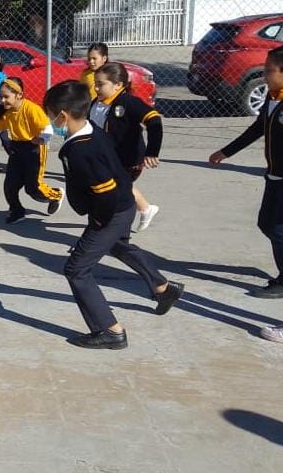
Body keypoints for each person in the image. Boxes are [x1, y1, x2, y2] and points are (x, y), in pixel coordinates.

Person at [42, 81, 183, 349]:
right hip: (124, 202)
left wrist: (97, 223)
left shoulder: (81, 149)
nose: (51, 121)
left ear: (63, 116)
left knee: (77, 269)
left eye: (51, 115)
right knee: (118, 245)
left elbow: (103, 191)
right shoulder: (90, 129)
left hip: (111, 211)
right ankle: (163, 288)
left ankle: (110, 330)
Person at [210, 44, 283, 300]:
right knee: (266, 223)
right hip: (274, 176)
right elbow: (258, 128)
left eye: (269, 70)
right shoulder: (274, 96)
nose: (264, 74)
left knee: (278, 229)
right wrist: (226, 152)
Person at [0, 77, 63, 224]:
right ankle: (17, 211)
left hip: (35, 149)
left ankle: (56, 195)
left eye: (6, 97)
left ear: (19, 94)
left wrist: (42, 139)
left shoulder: (32, 109)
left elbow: (47, 129)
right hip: (17, 149)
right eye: (1, 96)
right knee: (10, 186)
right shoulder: (6, 112)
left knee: (33, 188)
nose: (2, 100)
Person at [91, 62, 163, 232]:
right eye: (95, 83)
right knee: (119, 189)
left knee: (113, 193)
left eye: (100, 84)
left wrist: (152, 152)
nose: (95, 88)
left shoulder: (128, 103)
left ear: (118, 85)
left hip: (128, 159)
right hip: (107, 158)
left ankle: (114, 234)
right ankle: (145, 209)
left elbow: (154, 121)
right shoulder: (96, 103)